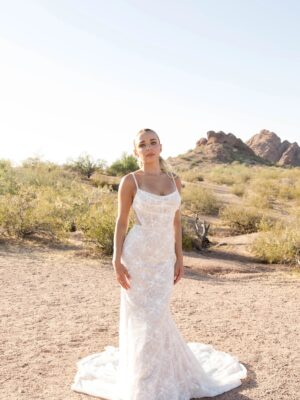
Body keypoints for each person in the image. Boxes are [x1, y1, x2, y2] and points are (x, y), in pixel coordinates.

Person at [71, 129, 247, 399]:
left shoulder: (175, 181)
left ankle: (161, 372)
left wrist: (180, 256)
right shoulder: (130, 181)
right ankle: (143, 382)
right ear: (135, 151)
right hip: (138, 255)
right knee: (144, 317)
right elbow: (122, 221)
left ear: (161, 147)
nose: (149, 147)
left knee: (158, 314)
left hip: (163, 257)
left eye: (153, 142)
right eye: (142, 144)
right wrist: (115, 258)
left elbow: (176, 221)